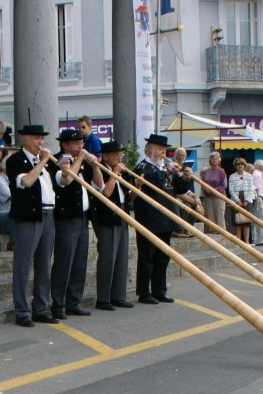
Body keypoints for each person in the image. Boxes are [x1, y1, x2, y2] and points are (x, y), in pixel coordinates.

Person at [6, 124, 59, 327]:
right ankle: (21, 311)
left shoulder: (44, 163)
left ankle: (40, 308)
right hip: (29, 216)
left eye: (42, 139)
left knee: (44, 264)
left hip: (48, 213)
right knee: (23, 264)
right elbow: (26, 182)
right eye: (37, 138)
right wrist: (44, 161)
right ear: (25, 139)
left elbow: (57, 184)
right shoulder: (16, 161)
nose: (41, 142)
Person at [49, 129, 103, 319]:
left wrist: (95, 165)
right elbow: (66, 181)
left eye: (82, 143)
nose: (81, 147)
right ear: (65, 144)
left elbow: (99, 185)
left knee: (79, 262)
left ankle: (74, 302)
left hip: (83, 217)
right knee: (64, 262)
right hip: (66, 217)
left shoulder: (83, 162)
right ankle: (58, 304)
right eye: (76, 144)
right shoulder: (56, 160)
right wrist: (80, 159)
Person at [133, 133, 180, 305]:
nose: (163, 153)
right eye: (160, 149)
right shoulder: (143, 167)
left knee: (163, 257)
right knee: (147, 256)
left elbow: (178, 188)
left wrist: (183, 176)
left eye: (164, 149)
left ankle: (160, 290)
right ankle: (144, 292)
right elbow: (154, 183)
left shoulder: (163, 168)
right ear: (151, 149)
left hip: (165, 218)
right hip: (149, 219)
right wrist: (167, 170)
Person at [93, 140, 134, 310]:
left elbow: (128, 196)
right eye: (116, 154)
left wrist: (137, 186)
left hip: (122, 213)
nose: (119, 157)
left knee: (121, 257)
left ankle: (118, 295)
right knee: (107, 258)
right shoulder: (98, 169)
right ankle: (103, 298)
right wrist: (114, 173)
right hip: (106, 216)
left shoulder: (122, 171)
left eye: (120, 154)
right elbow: (106, 193)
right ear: (106, 156)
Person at [172, 159, 203, 237]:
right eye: (179, 155)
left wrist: (196, 198)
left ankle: (188, 229)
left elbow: (189, 191)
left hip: (184, 198)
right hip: (173, 198)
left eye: (182, 155)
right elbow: (176, 191)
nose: (180, 157)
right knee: (188, 206)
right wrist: (193, 202)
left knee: (196, 208)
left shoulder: (188, 175)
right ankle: (182, 229)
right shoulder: (173, 172)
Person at [228, 158, 255, 244]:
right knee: (237, 221)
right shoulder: (232, 176)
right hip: (236, 199)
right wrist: (237, 200)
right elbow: (231, 190)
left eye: (242, 164)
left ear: (244, 165)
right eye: (238, 164)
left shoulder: (249, 176)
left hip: (247, 199)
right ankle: (239, 241)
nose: (240, 166)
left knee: (246, 221)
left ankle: (246, 241)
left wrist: (246, 201)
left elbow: (251, 189)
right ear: (235, 166)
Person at [0, 157, 14, 251]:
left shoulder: (14, 178)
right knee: (17, 216)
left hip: (9, 213)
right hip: (1, 216)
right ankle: (13, 242)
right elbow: (12, 197)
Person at [201, 152, 227, 233]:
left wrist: (214, 190)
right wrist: (205, 189)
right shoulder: (207, 171)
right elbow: (203, 182)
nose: (215, 160)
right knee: (210, 217)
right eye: (213, 159)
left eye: (216, 159)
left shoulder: (221, 171)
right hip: (208, 197)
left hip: (219, 197)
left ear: (219, 160)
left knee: (220, 216)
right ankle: (213, 234)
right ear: (210, 160)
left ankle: (222, 234)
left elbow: (224, 185)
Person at [250, 159, 263, 245]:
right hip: (258, 198)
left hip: (257, 198)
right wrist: (257, 201)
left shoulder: (255, 174)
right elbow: (256, 189)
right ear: (260, 166)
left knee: (257, 219)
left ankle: (258, 238)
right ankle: (261, 239)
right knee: (261, 219)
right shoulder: (257, 175)